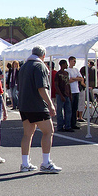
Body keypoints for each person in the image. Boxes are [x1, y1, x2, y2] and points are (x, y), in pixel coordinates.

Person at [17, 45, 62, 173]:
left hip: (24, 105)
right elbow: (42, 88)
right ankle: (46, 162)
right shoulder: (40, 66)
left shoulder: (24, 66)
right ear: (43, 56)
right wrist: (50, 105)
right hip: (37, 105)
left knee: (27, 134)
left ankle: (25, 163)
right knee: (48, 131)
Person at [54, 60, 73, 132]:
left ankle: (68, 126)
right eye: (65, 64)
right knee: (59, 111)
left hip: (67, 94)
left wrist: (70, 94)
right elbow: (56, 85)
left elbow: (68, 84)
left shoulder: (66, 73)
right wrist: (61, 95)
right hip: (60, 94)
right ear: (62, 65)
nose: (67, 65)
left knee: (68, 111)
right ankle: (60, 126)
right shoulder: (58, 74)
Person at [66, 56, 84, 130]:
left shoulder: (76, 70)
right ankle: (68, 124)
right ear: (69, 61)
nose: (74, 62)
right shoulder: (67, 70)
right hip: (71, 91)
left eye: (75, 61)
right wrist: (75, 79)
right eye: (73, 61)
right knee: (70, 108)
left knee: (75, 108)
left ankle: (74, 123)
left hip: (76, 90)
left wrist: (75, 78)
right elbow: (69, 80)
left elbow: (81, 78)